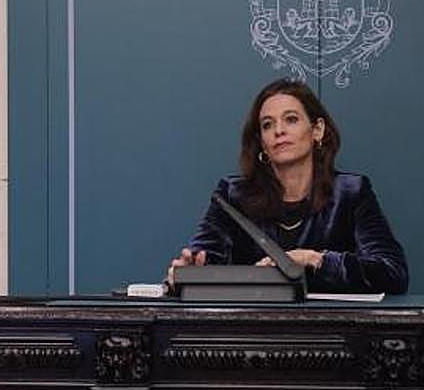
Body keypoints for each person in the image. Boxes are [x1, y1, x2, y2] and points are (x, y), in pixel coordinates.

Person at [168, 79, 408, 294]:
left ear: (317, 130)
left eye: (291, 119)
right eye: (267, 125)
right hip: (250, 324)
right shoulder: (232, 195)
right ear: (262, 142)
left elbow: (393, 273)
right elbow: (204, 258)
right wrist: (188, 272)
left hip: (329, 326)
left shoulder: (351, 192)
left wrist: (315, 260)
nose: (279, 131)